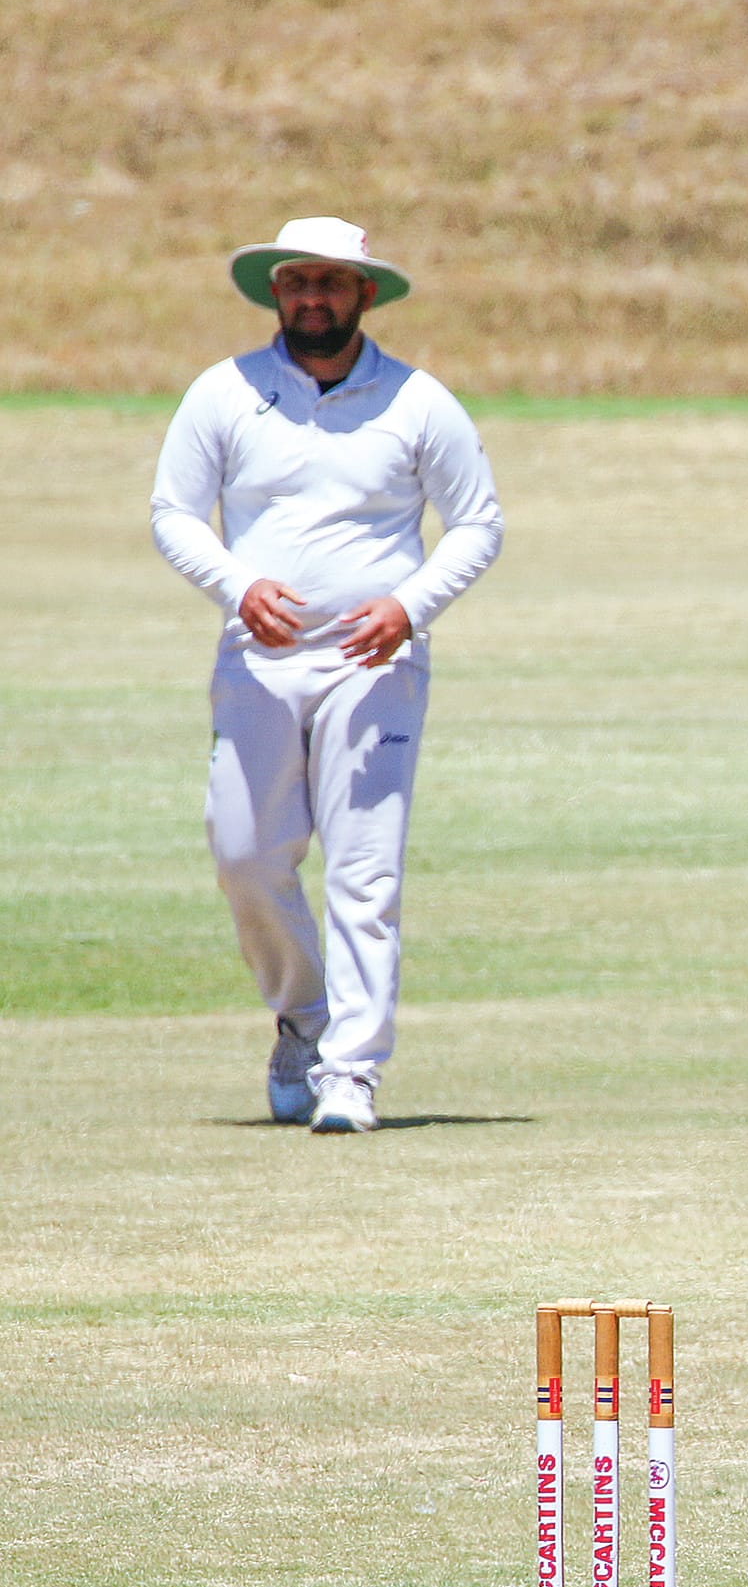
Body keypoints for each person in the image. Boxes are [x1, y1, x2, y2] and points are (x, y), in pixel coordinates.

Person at [151, 218, 504, 1133]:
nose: (313, 298)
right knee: (245, 853)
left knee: (364, 870)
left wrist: (409, 607)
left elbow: (478, 523)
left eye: (332, 284)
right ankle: (304, 1016)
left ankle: (350, 1072)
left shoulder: (418, 401)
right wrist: (235, 582)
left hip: (374, 663)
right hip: (257, 661)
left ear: (365, 295)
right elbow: (175, 513)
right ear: (277, 293)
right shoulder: (226, 393)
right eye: (298, 282)